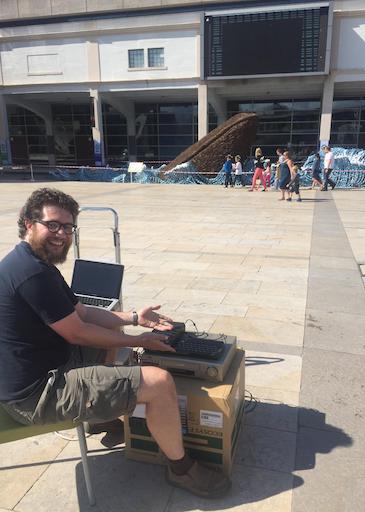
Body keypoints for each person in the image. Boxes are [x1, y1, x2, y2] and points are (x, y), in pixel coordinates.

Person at [0, 188, 230, 499]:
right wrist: (137, 340)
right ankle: (182, 470)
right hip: (38, 395)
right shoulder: (31, 273)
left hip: (41, 370)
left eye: (68, 227)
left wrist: (135, 317)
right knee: (159, 382)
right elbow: (78, 332)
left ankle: (102, 419)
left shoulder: (32, 263)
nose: (62, 234)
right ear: (29, 224)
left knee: (112, 346)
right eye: (53, 225)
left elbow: (81, 312)